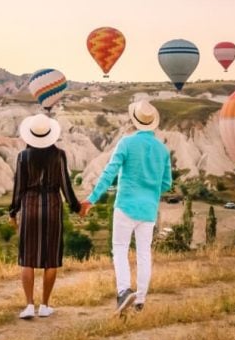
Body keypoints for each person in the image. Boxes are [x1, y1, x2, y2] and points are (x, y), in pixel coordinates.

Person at [80, 100, 172, 315]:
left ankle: (123, 291)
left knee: (120, 249)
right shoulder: (162, 150)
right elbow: (167, 183)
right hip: (148, 210)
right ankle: (140, 298)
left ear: (135, 120)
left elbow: (109, 173)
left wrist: (91, 199)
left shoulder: (126, 143)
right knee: (144, 253)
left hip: (125, 206)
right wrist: (151, 190)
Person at [9, 112, 81, 320]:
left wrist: (13, 211)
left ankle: (29, 305)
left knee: (27, 259)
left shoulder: (23, 157)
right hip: (52, 208)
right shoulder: (59, 155)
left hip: (29, 207)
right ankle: (44, 305)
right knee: (51, 259)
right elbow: (66, 186)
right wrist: (76, 207)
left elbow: (18, 188)